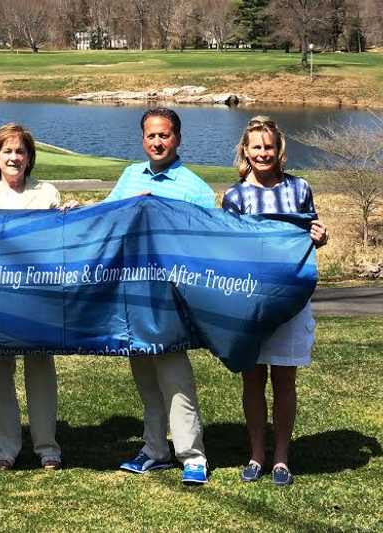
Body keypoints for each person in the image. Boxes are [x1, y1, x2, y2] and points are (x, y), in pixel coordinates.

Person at [106, 108, 213, 485]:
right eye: (151, 135)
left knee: (174, 378)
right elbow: (105, 219)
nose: (157, 142)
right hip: (133, 294)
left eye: (164, 135)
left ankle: (192, 456)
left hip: (170, 298)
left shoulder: (194, 186)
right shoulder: (130, 176)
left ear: (178, 139)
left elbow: (209, 240)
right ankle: (155, 450)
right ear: (142, 139)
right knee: (145, 379)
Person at [222, 116, 328, 486]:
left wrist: (319, 235)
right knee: (252, 380)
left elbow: (308, 233)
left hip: (291, 299)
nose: (263, 153)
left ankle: (282, 456)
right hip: (250, 302)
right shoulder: (234, 197)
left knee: (285, 379)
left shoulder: (300, 189)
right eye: (256, 147)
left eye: (269, 147)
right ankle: (256, 454)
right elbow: (227, 248)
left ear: (279, 150)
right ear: (245, 152)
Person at [0, 123, 76, 471]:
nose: (14, 157)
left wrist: (72, 216)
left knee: (40, 369)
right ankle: (5, 448)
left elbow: (60, 241)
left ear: (29, 157)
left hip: (38, 295)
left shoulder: (47, 193)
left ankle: (48, 447)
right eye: (7, 151)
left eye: (20, 151)